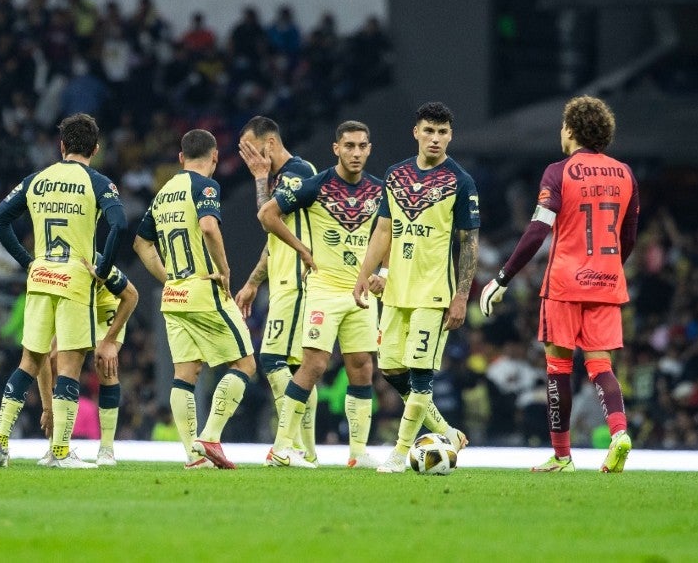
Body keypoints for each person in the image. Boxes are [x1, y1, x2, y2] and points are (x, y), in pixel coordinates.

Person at [480, 95, 639, 473]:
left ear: (570, 129)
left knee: (558, 368)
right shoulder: (625, 173)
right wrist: (608, 268)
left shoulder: (558, 172)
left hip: (565, 283)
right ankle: (619, 433)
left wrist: (503, 277)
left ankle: (562, 456)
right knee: (601, 365)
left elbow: (537, 230)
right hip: (606, 281)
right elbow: (628, 237)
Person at [0, 113, 127, 469]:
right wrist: (105, 268)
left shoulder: (37, 180)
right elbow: (119, 223)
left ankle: (0, 444)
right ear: (95, 148)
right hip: (74, 281)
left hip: (40, 277)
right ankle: (60, 452)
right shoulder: (98, 182)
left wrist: (27, 261)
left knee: (29, 362)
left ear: (61, 146)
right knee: (68, 365)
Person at [353, 102, 479, 473]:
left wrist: (461, 297)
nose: (435, 139)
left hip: (434, 293)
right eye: (429, 131)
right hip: (395, 292)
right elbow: (384, 230)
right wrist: (368, 273)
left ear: (450, 136)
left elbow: (469, 242)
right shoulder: (396, 175)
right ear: (416, 133)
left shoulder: (460, 181)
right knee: (391, 369)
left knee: (422, 374)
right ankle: (447, 433)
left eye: (442, 132)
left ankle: (400, 452)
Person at [258, 120, 384, 469]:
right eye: (349, 146)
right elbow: (268, 214)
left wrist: (382, 273)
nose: (356, 152)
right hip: (324, 290)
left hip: (360, 292)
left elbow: (386, 233)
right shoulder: (317, 184)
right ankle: (281, 448)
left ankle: (358, 454)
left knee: (362, 367)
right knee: (313, 364)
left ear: (369, 149)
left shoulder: (378, 190)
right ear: (336, 149)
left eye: (361, 146)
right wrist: (301, 249)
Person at [134, 129, 255, 470]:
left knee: (185, 374)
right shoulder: (205, 186)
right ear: (215, 157)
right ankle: (210, 436)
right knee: (244, 364)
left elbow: (141, 245)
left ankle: (193, 456)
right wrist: (226, 269)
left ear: (180, 158)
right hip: (205, 290)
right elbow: (208, 227)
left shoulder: (162, 196)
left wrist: (169, 277)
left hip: (174, 295)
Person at [233, 116, 319, 462]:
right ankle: (306, 450)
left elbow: (265, 215)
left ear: (269, 144)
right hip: (284, 279)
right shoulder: (284, 178)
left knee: (271, 360)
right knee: (296, 366)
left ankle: (292, 444)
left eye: (252, 151)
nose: (249, 160)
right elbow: (273, 239)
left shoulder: (299, 172)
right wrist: (254, 282)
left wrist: (259, 178)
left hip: (298, 280)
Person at [35, 257, 139, 467]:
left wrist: (109, 341)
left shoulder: (99, 262)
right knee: (52, 359)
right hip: (77, 308)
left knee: (105, 364)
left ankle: (107, 449)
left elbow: (132, 295)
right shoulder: (52, 272)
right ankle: (55, 445)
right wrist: (47, 408)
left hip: (105, 308)